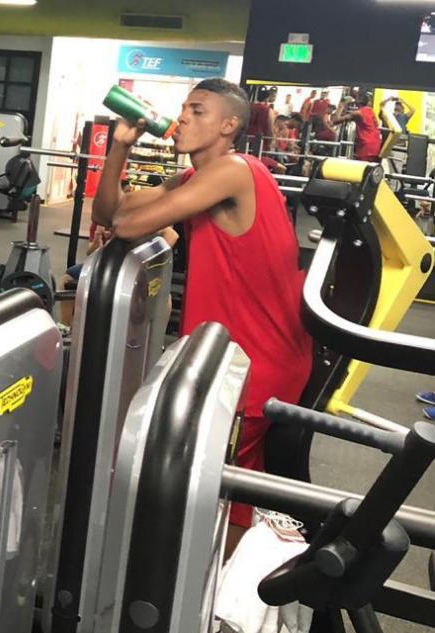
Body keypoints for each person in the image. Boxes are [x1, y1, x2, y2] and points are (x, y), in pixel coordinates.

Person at [91, 78, 311, 554]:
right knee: (222, 484)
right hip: (226, 360)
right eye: (183, 109)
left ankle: (214, 601)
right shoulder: (197, 179)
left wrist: (130, 216)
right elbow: (112, 212)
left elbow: (129, 225)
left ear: (229, 125)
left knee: (214, 485)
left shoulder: (236, 170)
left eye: (197, 110)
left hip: (255, 364)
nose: (183, 118)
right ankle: (209, 596)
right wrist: (119, 149)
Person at [331, 91, 381, 162]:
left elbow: (335, 121)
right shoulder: (370, 111)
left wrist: (342, 105)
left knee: (362, 169)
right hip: (376, 144)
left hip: (366, 146)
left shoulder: (357, 113)